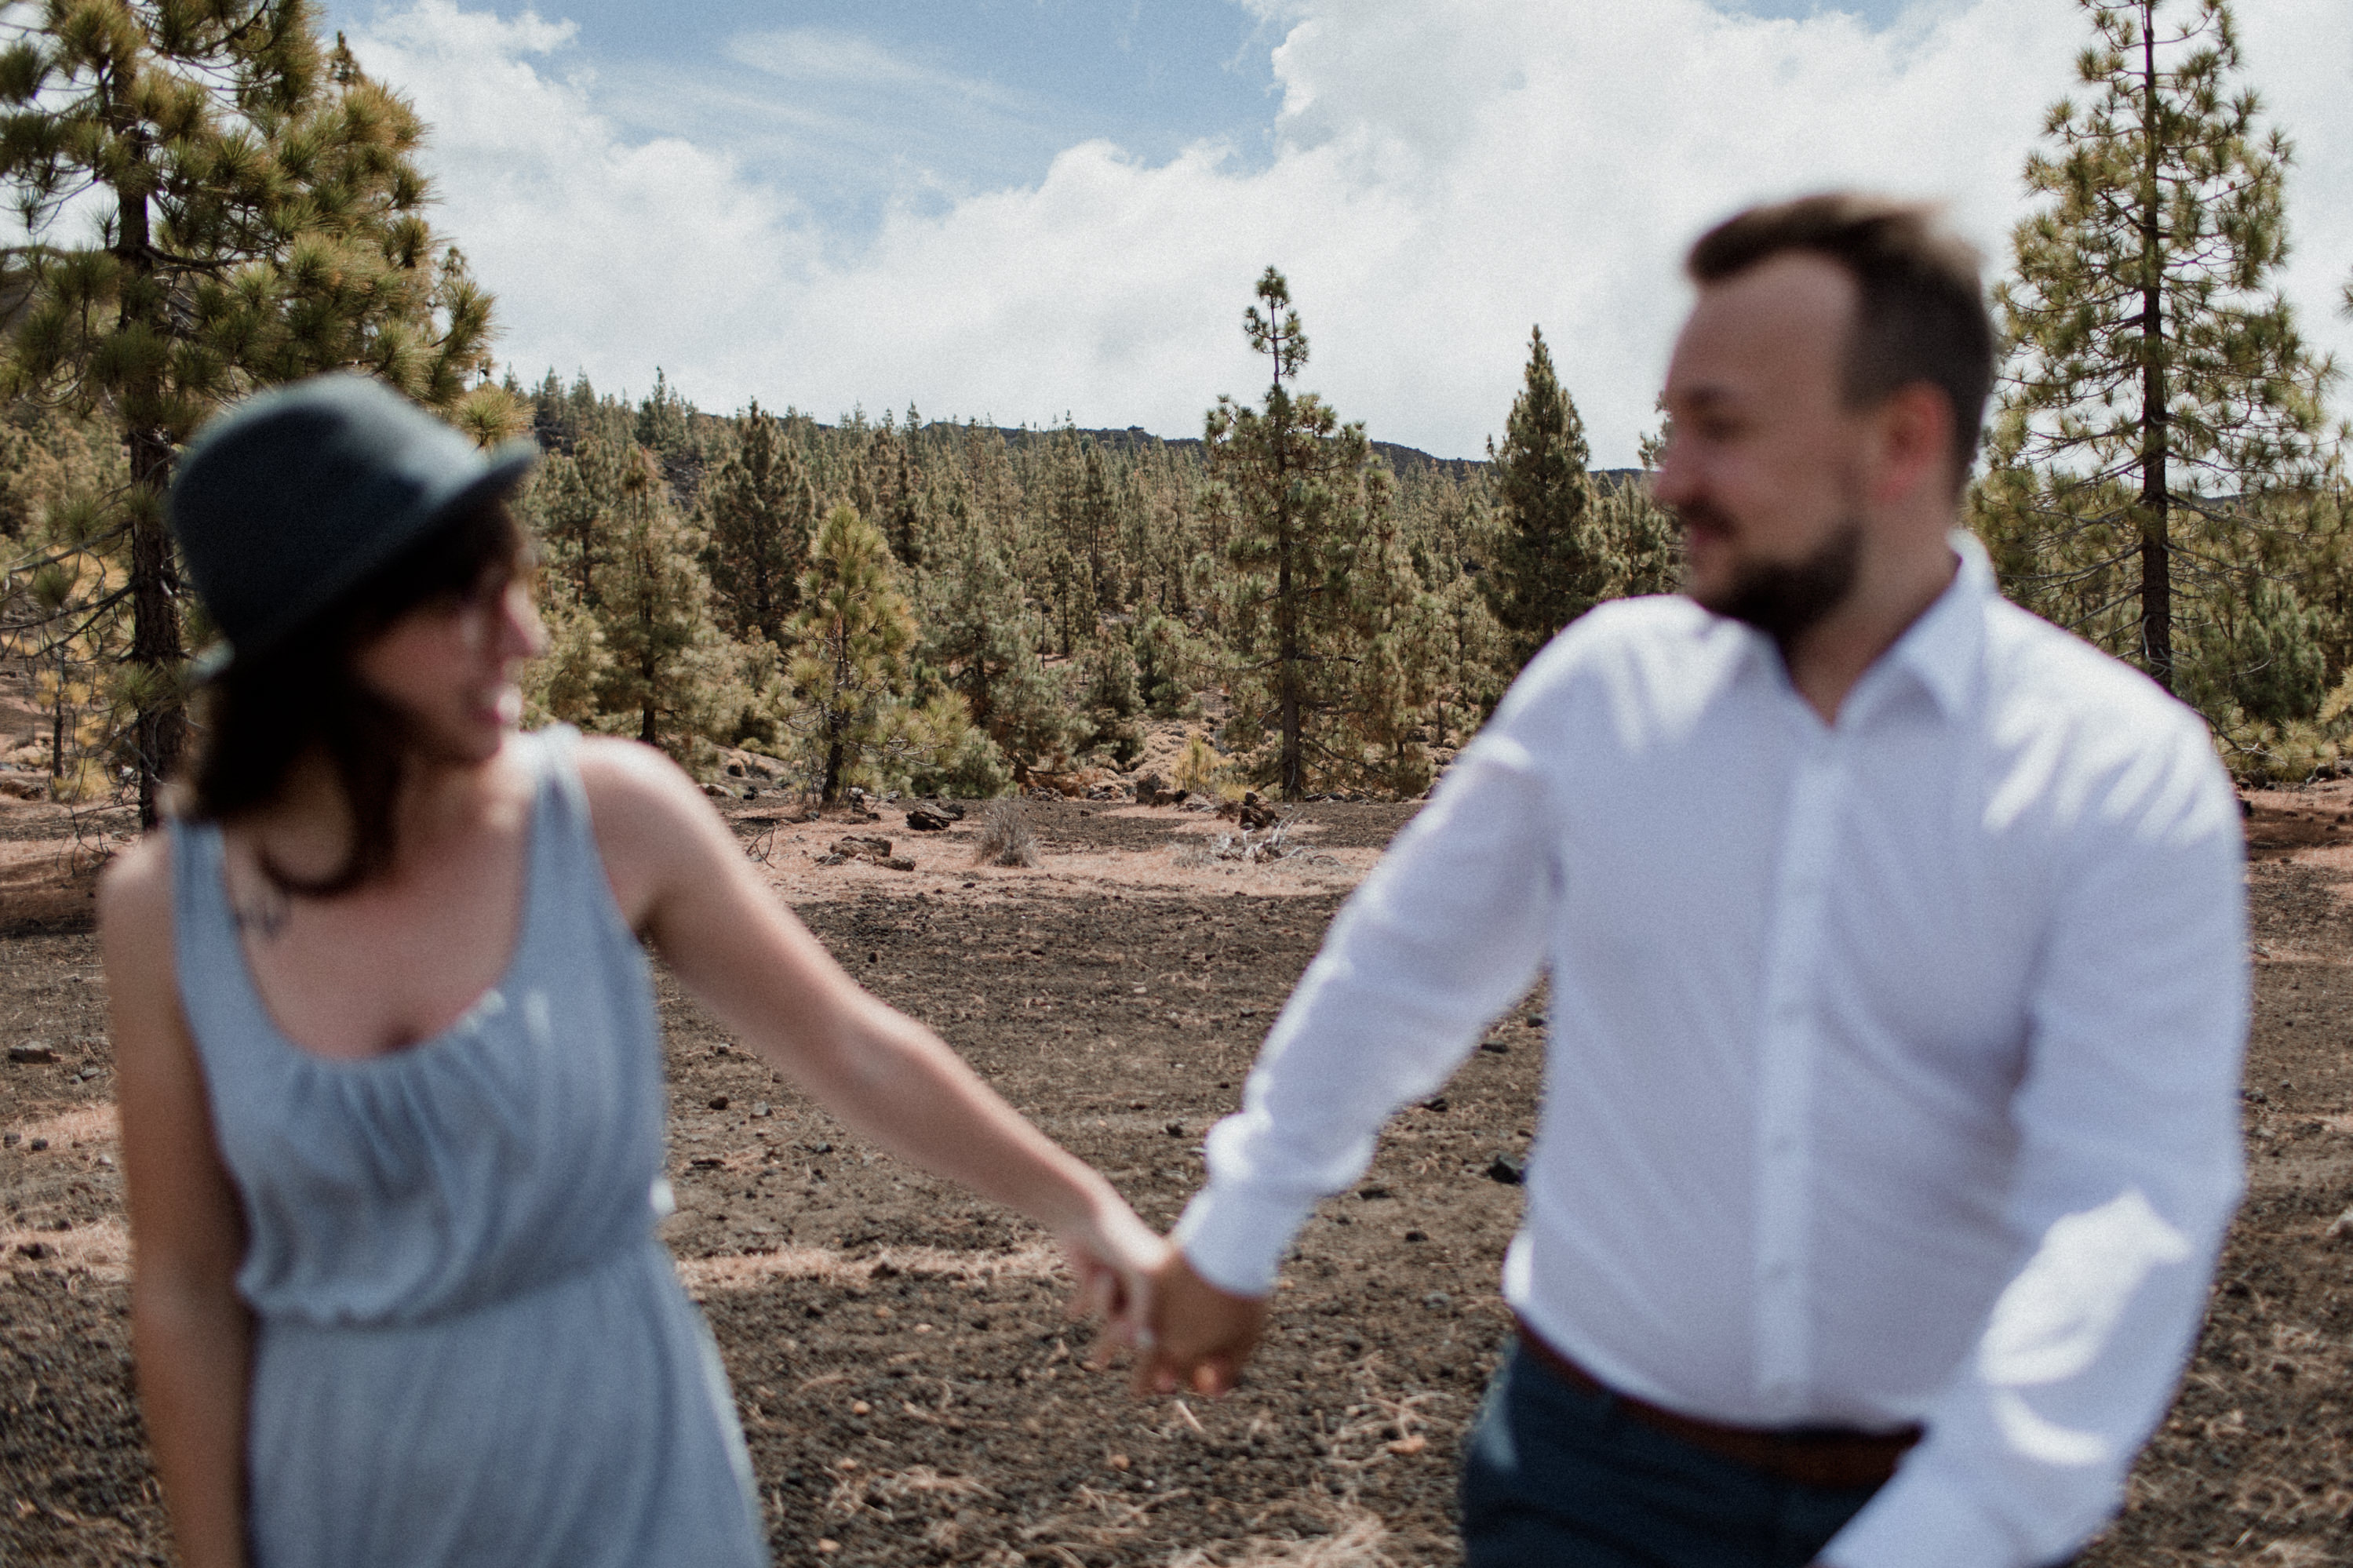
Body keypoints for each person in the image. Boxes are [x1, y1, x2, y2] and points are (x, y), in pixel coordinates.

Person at [1138, 194, 2247, 1568]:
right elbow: (1402, 972)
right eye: (1672, 429)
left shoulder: (2119, 772)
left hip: (1939, 1505)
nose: (1668, 481)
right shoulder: (1604, 693)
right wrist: (1239, 1228)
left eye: (1720, 429)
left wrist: (1960, 1525)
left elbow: (2127, 1200)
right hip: (1587, 1483)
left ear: (1900, 440)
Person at [103, 373, 1166, 1568]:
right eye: (464, 600)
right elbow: (186, 1286)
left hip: (631, 1493)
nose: (527, 637)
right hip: (343, 1508)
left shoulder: (610, 816)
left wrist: (1088, 1208)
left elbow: (855, 1049)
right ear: (322, 639)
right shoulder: (166, 911)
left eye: (516, 586)